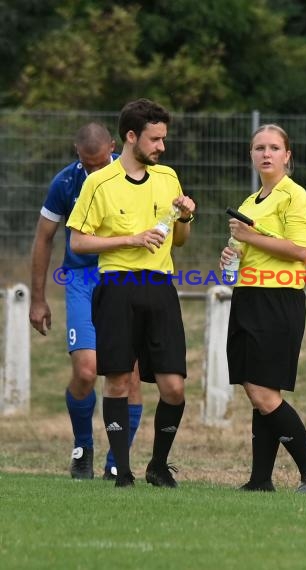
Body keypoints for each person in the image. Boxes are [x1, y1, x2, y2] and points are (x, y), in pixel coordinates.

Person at [67, 99, 196, 488]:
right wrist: (131, 239)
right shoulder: (98, 183)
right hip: (117, 288)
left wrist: (186, 217)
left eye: (163, 139)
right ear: (131, 136)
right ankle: (121, 470)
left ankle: (158, 464)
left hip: (160, 289)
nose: (161, 147)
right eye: (155, 139)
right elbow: (78, 243)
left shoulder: (168, 178)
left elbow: (180, 241)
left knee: (174, 387)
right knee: (119, 380)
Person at [220, 123, 306, 493]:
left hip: (278, 300)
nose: (265, 154)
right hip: (247, 296)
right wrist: (231, 255)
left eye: (273, 148)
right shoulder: (250, 203)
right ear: (251, 155)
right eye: (258, 148)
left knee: (264, 392)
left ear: (287, 155)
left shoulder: (295, 197)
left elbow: (301, 251)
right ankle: (260, 479)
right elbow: (243, 251)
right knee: (257, 390)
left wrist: (251, 236)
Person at [29, 122, 143, 480]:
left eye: (100, 162)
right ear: (77, 154)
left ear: (113, 146)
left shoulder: (135, 177)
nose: (94, 169)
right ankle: (82, 447)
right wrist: (38, 299)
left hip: (123, 277)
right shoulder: (65, 183)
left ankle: (116, 459)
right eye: (86, 163)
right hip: (81, 280)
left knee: (131, 375)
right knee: (86, 371)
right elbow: (44, 238)